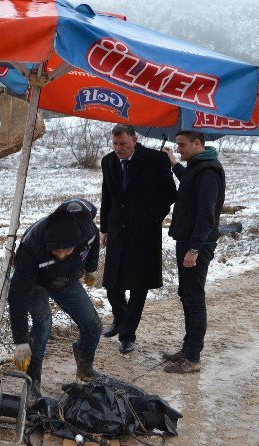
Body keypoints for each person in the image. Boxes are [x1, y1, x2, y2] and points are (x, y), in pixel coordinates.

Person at [8, 199, 102, 398]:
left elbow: (93, 246)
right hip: (37, 283)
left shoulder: (87, 231)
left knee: (93, 325)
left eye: (66, 251)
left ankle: (85, 369)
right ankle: (32, 381)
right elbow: (17, 297)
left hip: (67, 281)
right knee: (43, 326)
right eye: (56, 251)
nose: (60, 255)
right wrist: (21, 342)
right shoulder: (31, 247)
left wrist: (91, 269)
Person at [100, 125, 176, 354]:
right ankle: (121, 318)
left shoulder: (155, 159)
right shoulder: (108, 161)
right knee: (112, 284)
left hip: (144, 232)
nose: (119, 149)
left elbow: (169, 193)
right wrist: (104, 227)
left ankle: (128, 335)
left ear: (134, 140)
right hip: (117, 230)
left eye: (123, 143)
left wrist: (152, 218)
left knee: (138, 285)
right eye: (115, 144)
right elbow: (107, 196)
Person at [161, 131, 225, 374]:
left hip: (196, 243)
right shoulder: (198, 167)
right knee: (186, 294)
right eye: (177, 145)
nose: (178, 149)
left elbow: (207, 214)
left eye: (182, 145)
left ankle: (193, 357)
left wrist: (195, 248)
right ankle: (187, 350)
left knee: (194, 298)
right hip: (188, 241)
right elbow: (189, 182)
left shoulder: (208, 171)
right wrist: (174, 164)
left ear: (197, 144)